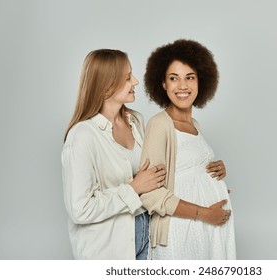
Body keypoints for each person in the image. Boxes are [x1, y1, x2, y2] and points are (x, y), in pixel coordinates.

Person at [61, 49, 166, 260]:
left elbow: (155, 175)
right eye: (128, 77)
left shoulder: (136, 121)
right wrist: (133, 188)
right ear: (107, 87)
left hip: (148, 238)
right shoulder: (82, 136)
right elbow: (80, 209)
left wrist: (206, 174)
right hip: (109, 249)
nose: (135, 81)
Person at [140, 39, 236, 259]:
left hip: (205, 231)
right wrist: (204, 214)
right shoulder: (159, 125)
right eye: (174, 78)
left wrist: (215, 176)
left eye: (189, 77)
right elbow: (151, 195)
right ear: (163, 84)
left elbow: (186, 175)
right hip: (180, 234)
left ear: (201, 81)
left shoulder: (195, 126)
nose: (182, 86)